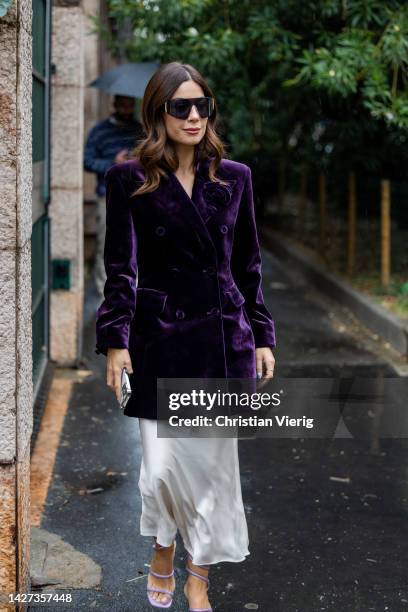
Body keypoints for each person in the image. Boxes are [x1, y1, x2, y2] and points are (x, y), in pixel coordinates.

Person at [95, 62, 277, 611]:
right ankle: (164, 543)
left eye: (202, 106)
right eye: (181, 107)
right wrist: (115, 339)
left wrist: (263, 333)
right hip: (158, 339)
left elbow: (249, 265)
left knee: (215, 472)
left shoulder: (235, 178)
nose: (194, 116)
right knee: (162, 471)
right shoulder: (129, 179)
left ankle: (198, 576)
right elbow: (120, 268)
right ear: (159, 113)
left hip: (223, 341)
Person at [84, 95, 144, 296]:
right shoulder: (99, 131)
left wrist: (136, 161)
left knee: (136, 246)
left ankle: (133, 296)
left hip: (137, 197)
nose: (128, 109)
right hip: (107, 197)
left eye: (131, 105)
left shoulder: (138, 130)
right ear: (115, 104)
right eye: (124, 105)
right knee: (106, 247)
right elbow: (88, 161)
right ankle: (106, 299)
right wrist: (113, 162)